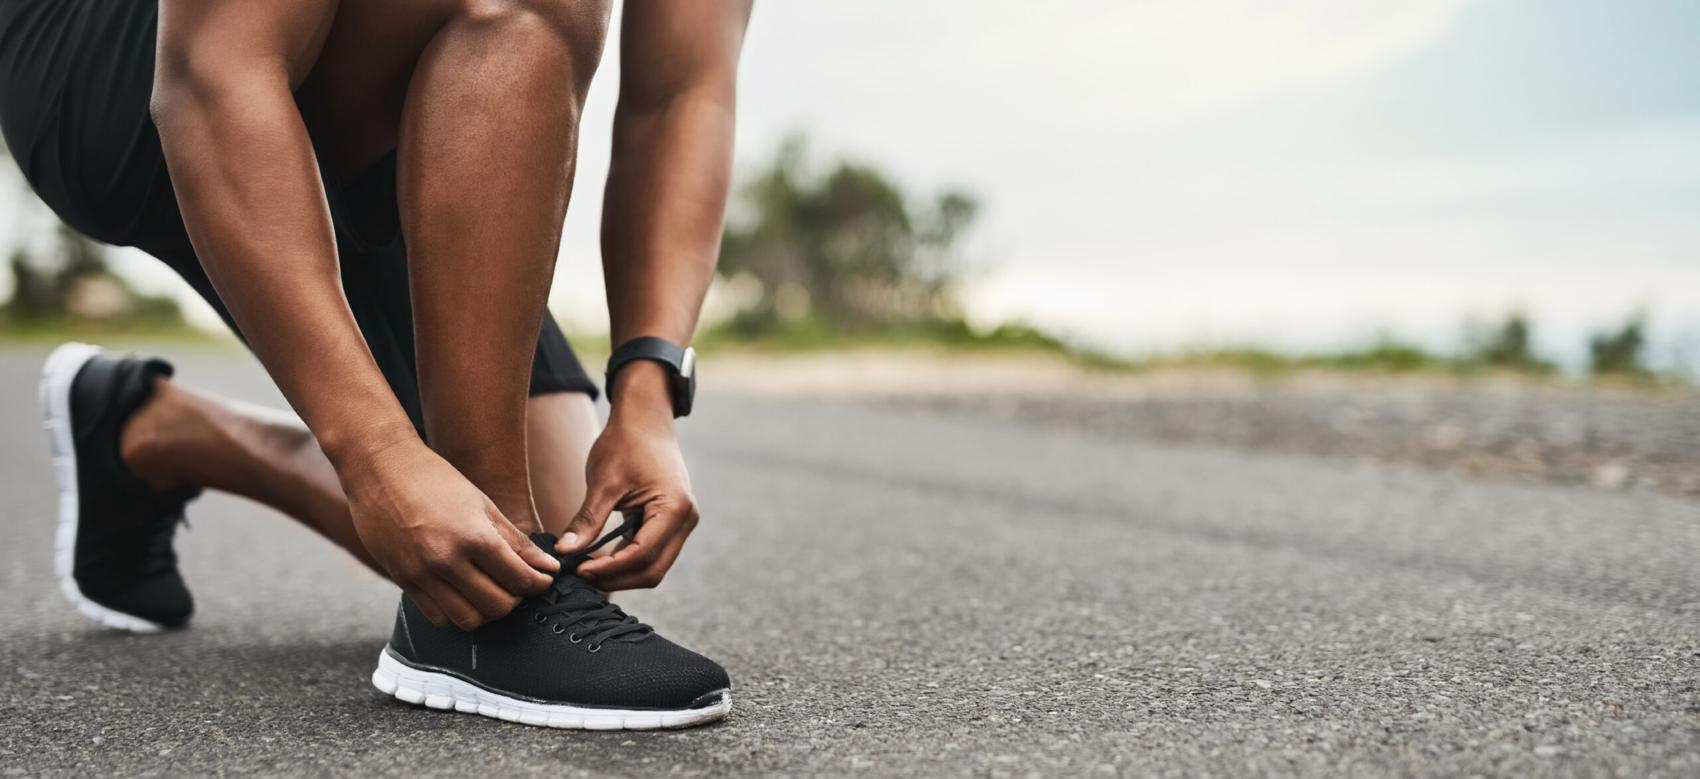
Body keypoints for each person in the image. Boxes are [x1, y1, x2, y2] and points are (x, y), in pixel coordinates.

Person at [1, 0, 752, 729]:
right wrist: (371, 450)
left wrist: (647, 395)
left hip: (378, 100)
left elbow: (680, 96)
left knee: (546, 537)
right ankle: (472, 630)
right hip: (123, 60)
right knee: (504, 563)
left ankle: (146, 432)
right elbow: (211, 70)